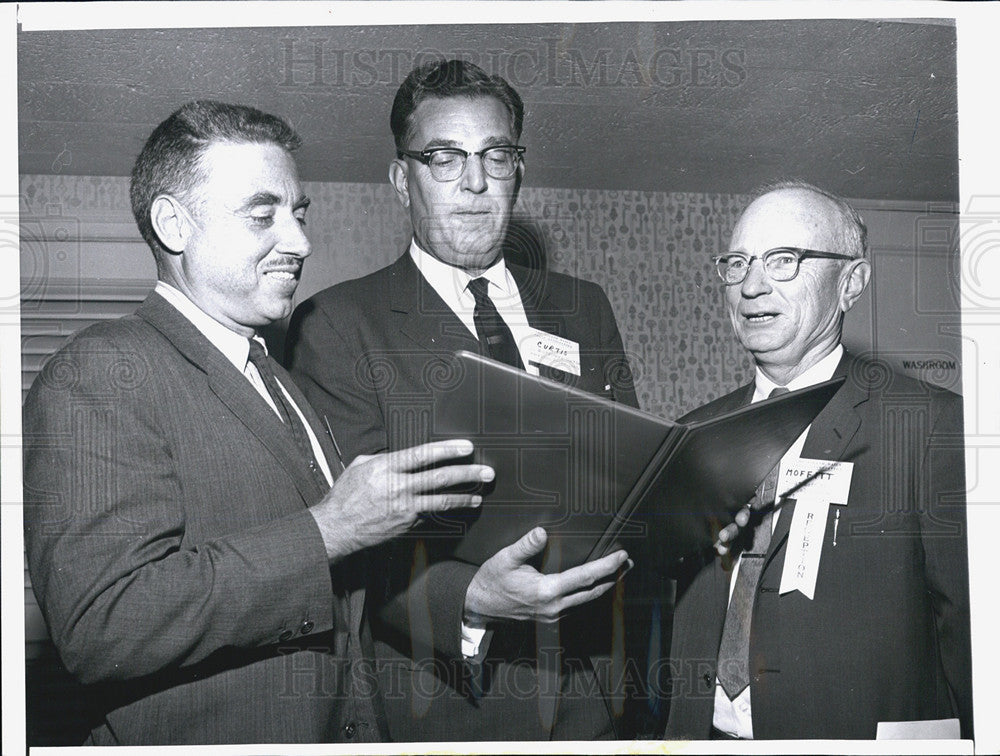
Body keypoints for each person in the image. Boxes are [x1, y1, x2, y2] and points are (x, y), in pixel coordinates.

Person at [22, 100, 494, 745]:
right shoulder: (102, 369)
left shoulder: (280, 379)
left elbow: (349, 598)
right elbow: (102, 624)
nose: (300, 241)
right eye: (261, 214)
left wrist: (472, 597)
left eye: (298, 214)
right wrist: (327, 530)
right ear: (173, 224)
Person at [285, 59, 637, 740]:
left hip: (592, 694)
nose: (475, 183)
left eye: (495, 156)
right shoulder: (339, 323)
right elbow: (348, 538)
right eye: (445, 158)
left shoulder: (583, 307)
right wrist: (470, 600)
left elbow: (624, 477)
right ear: (401, 179)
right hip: (444, 702)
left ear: (518, 172)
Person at [663, 181, 972, 740]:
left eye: (784, 261)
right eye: (738, 264)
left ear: (851, 282)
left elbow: (970, 639)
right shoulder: (690, 435)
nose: (751, 286)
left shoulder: (928, 425)